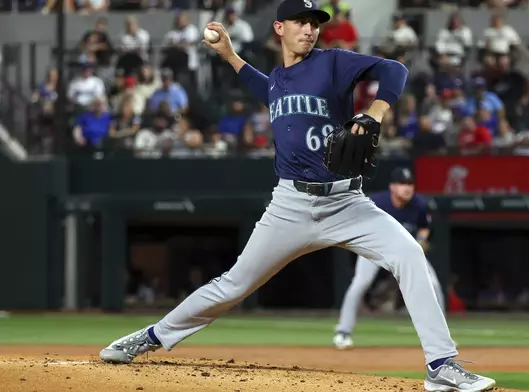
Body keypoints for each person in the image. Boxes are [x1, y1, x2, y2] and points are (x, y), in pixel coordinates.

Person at [98, 1, 496, 391]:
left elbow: (395, 69)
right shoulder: (277, 80)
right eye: (300, 21)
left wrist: (375, 110)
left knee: (409, 254)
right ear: (279, 28)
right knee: (232, 285)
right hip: (290, 205)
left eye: (314, 22)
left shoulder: (332, 62)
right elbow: (264, 87)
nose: (309, 29)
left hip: (346, 202)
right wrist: (231, 56)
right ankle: (150, 337)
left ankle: (441, 365)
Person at [333, 167, 445, 349]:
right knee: (360, 283)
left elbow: (424, 228)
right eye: (402, 184)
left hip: (405, 251)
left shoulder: (420, 205)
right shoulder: (376, 202)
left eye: (410, 184)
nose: (407, 188)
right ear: (392, 187)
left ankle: (440, 338)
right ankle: (343, 332)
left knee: (433, 285)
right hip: (374, 249)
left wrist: (421, 241)